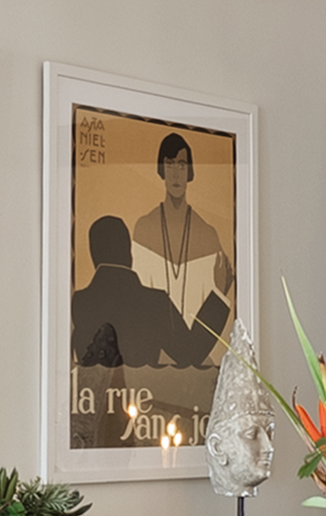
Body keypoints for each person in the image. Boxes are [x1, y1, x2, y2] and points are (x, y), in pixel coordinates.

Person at [126, 131, 232, 342]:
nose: (176, 174)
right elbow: (139, 301)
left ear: (190, 172)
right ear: (162, 170)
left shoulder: (207, 234)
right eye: (170, 164)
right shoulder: (144, 228)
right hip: (153, 347)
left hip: (199, 347)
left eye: (182, 165)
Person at [71, 215, 210, 371]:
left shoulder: (77, 303)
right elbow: (191, 353)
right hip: (144, 387)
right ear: (128, 252)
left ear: (94, 254)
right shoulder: (155, 303)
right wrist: (219, 295)